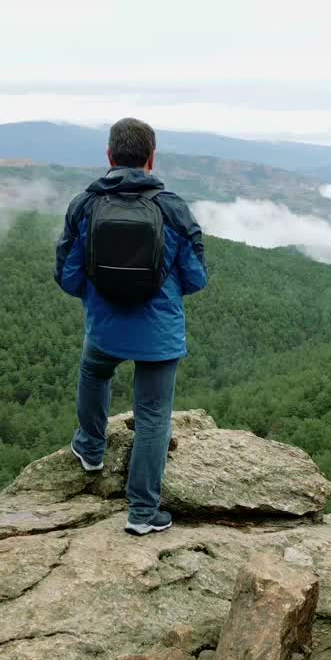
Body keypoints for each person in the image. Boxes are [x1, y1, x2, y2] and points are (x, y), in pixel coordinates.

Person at [54, 117, 208, 536]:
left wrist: (99, 293)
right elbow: (196, 278)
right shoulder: (172, 208)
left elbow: (67, 276)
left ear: (109, 156)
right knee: (154, 415)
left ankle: (90, 448)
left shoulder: (84, 205)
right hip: (158, 333)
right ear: (151, 158)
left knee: (94, 370)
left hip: (104, 327)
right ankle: (142, 512)